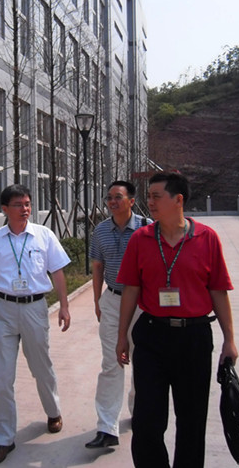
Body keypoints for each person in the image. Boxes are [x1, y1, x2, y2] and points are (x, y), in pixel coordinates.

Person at [115, 172, 238, 468]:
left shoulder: (207, 238)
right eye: (149, 196)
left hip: (193, 338)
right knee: (147, 420)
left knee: (192, 420)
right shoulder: (141, 239)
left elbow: (218, 290)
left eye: (157, 196)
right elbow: (131, 290)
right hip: (152, 336)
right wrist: (122, 336)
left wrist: (230, 340)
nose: (150, 202)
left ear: (178, 199)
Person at [0, 184, 71, 465]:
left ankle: (53, 411)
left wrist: (64, 306)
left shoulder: (44, 235)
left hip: (34, 308)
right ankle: (3, 438)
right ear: (5, 209)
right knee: (2, 375)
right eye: (18, 204)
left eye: (28, 203)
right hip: (4, 309)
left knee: (41, 367)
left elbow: (58, 272)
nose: (25, 209)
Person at [85, 180, 149, 449]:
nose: (112, 201)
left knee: (142, 362)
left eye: (118, 197)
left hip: (142, 303)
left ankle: (139, 413)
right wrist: (97, 301)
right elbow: (98, 266)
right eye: (109, 197)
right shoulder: (100, 230)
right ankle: (107, 427)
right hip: (112, 300)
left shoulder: (147, 228)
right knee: (111, 362)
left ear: (131, 201)